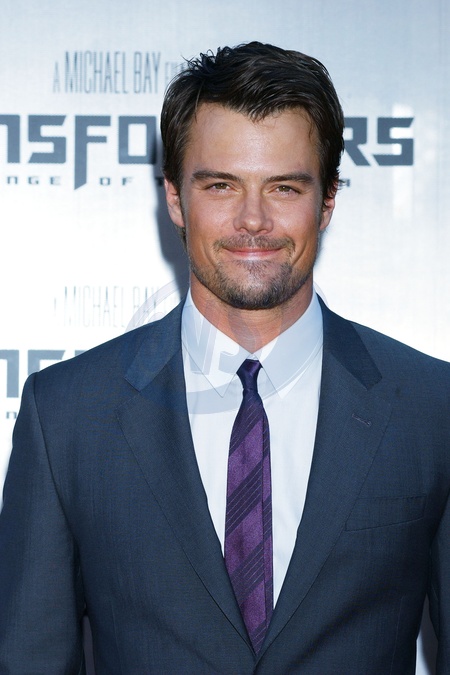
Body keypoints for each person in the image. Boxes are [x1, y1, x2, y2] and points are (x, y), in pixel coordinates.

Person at [0, 41, 449, 675]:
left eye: (284, 187)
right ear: (175, 198)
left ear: (327, 201)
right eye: (221, 185)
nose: (253, 220)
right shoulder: (67, 416)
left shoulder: (432, 409)